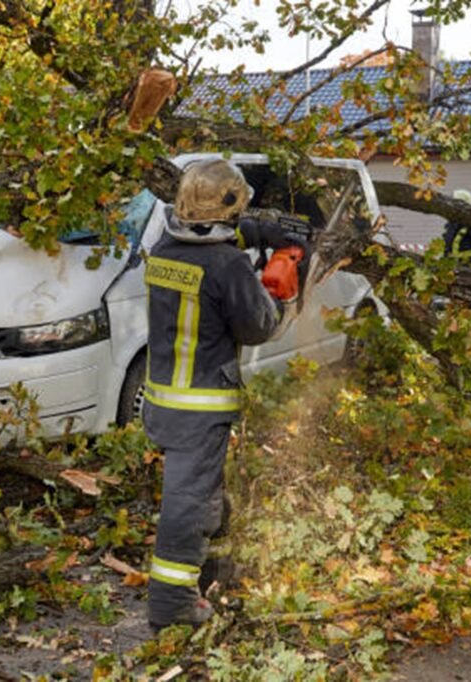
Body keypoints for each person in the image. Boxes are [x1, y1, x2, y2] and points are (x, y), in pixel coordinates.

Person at [143, 159, 307, 629]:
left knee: (204, 494)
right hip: (200, 405)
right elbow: (259, 327)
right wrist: (279, 291)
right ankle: (172, 606)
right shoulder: (227, 265)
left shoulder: (163, 250)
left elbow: (203, 246)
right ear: (229, 207)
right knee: (188, 503)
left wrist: (254, 232)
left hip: (163, 401)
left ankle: (212, 573)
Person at [443, 189, 471, 256]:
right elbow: (448, 243)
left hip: (466, 263)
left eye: (454, 203)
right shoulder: (452, 222)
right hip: (452, 262)